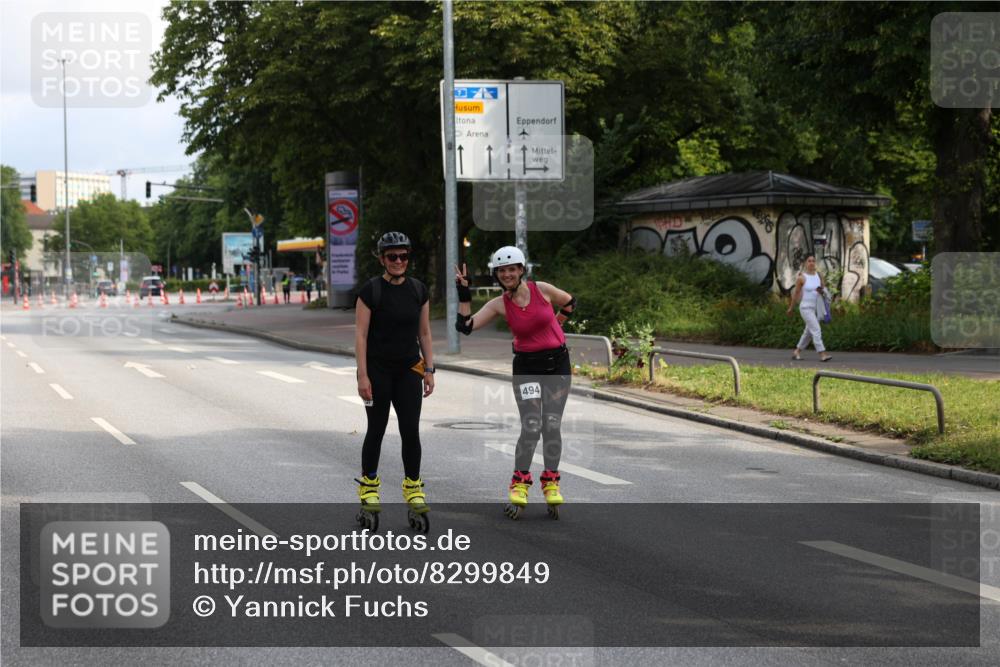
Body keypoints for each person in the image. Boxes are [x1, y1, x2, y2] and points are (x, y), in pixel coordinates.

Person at [454, 246, 576, 519]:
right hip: (527, 368)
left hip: (557, 364)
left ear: (521, 270)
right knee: (532, 425)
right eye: (501, 271)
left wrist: (556, 325)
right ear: (496, 275)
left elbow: (570, 302)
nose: (507, 274)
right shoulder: (499, 304)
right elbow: (466, 327)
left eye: (512, 269)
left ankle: (551, 482)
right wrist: (464, 293)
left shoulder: (541, 289)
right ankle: (519, 483)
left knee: (552, 424)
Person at [355, 231, 435, 532]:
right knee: (376, 429)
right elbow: (360, 336)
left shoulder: (418, 290)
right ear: (382, 259)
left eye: (403, 256)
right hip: (377, 371)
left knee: (410, 431)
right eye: (392, 256)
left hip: (409, 370)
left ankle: (413, 487)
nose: (399, 261)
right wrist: (362, 375)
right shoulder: (370, 291)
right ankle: (369, 488)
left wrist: (430, 369)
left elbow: (424, 333)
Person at [787, 253, 833, 362]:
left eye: (813, 261)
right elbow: (796, 294)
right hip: (805, 308)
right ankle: (822, 354)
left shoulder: (819, 275)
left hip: (815, 308)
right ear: (805, 263)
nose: (811, 263)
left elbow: (824, 290)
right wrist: (791, 308)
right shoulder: (801, 278)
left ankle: (797, 352)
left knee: (808, 332)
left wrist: (821, 290)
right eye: (809, 261)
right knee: (816, 329)